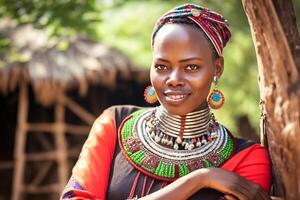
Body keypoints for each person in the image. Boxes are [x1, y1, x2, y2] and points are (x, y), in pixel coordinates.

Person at [61, 4, 271, 200]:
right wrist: (199, 179)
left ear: (217, 68)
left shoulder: (247, 157)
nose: (174, 79)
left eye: (191, 67)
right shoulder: (113, 123)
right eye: (162, 67)